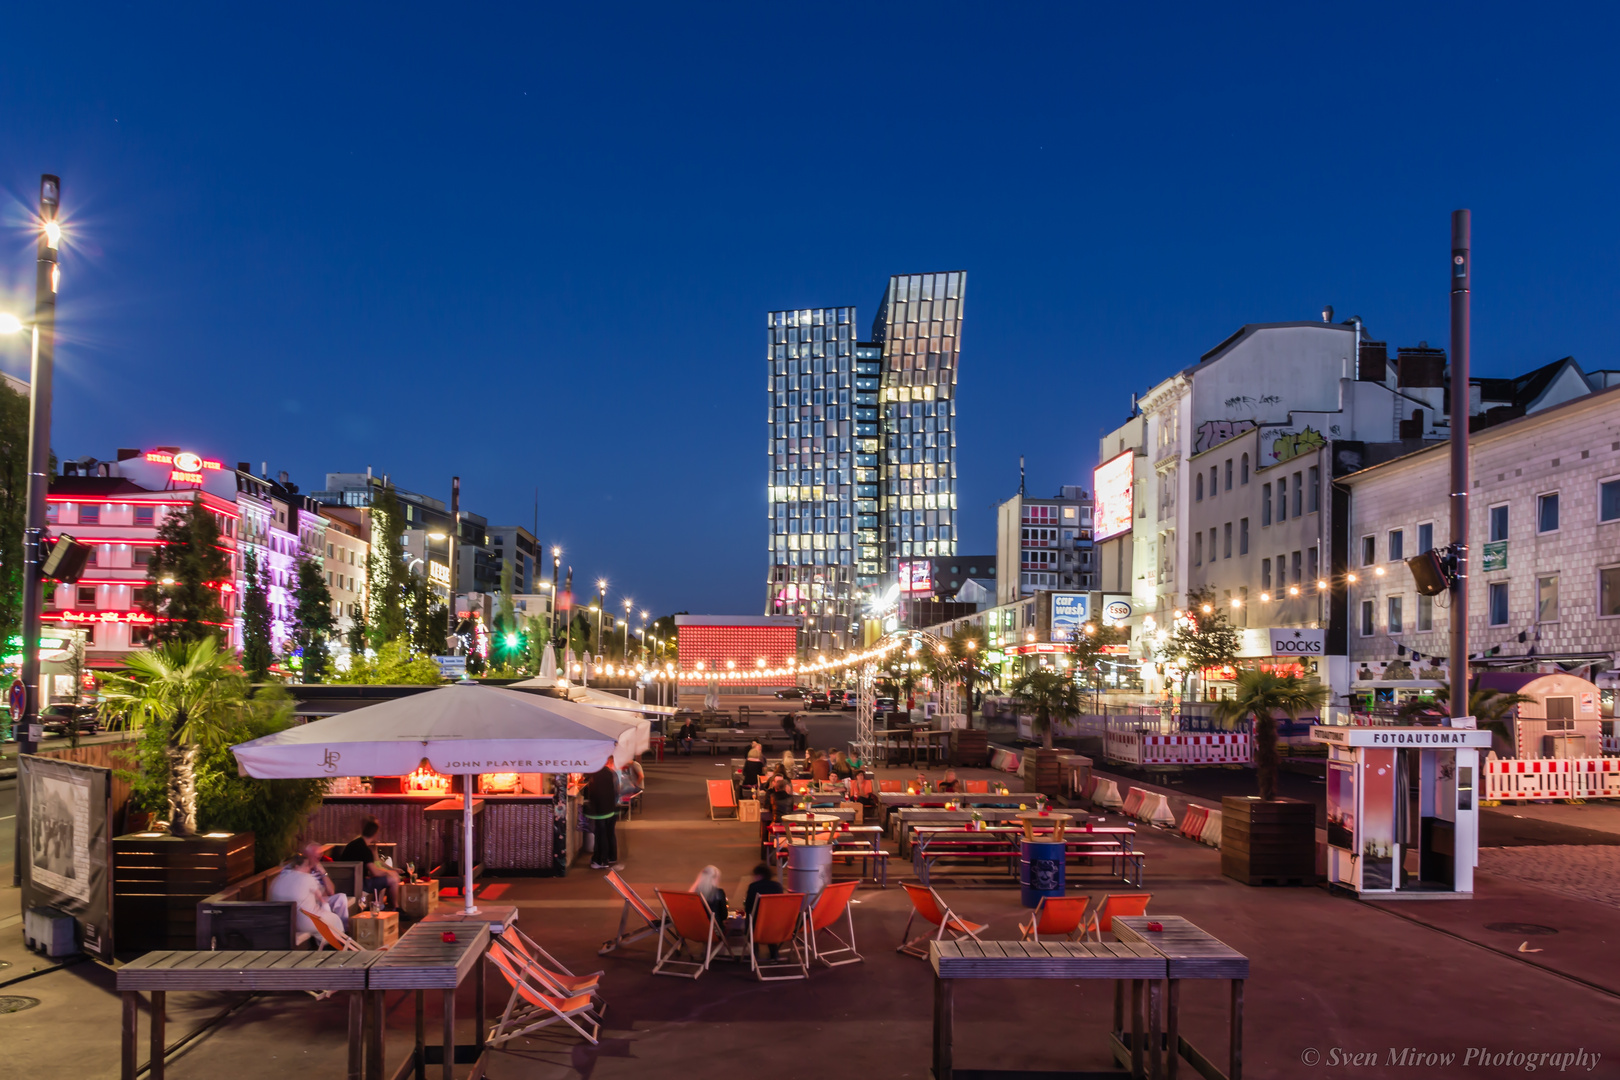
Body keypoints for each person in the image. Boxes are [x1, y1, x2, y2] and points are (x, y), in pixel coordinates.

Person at [267, 844, 348, 939]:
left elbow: (330, 892)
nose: (317, 860)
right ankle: (337, 939)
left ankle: (344, 934)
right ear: (306, 855)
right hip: (303, 906)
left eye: (319, 857)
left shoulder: (316, 868)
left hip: (315, 901)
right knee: (333, 918)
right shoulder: (291, 870)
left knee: (341, 898)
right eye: (315, 857)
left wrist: (323, 872)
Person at [337, 816, 399, 909]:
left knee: (389, 877)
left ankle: (381, 905)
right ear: (375, 834)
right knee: (393, 879)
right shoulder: (365, 850)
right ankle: (396, 907)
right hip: (358, 885)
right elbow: (375, 872)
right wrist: (390, 872)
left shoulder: (353, 844)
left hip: (345, 881)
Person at [586, 756, 623, 870]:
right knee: (609, 833)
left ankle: (601, 860)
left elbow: (596, 794)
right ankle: (611, 857)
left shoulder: (599, 774)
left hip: (602, 810)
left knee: (601, 834)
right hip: (612, 808)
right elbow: (617, 791)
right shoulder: (613, 773)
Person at [744, 862, 786, 960]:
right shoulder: (777, 886)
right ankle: (774, 952)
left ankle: (754, 952)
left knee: (751, 920)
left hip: (757, 924)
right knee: (771, 920)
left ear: (759, 875)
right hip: (775, 924)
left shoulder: (753, 887)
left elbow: (748, 907)